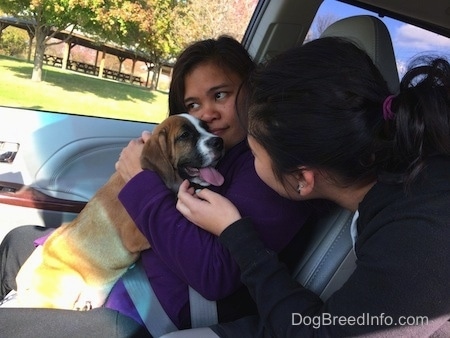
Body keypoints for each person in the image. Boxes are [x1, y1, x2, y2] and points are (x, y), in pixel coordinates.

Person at [0, 36, 312, 336]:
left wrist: (141, 181)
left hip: (152, 308)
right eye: (192, 104)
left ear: (251, 91)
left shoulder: (267, 168)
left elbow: (214, 273)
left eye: (220, 95)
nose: (207, 114)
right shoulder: (223, 154)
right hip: (138, 272)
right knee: (17, 241)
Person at [176, 37, 450, 337]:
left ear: (303, 179)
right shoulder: (412, 180)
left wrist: (236, 232)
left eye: (254, 155)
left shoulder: (417, 244)